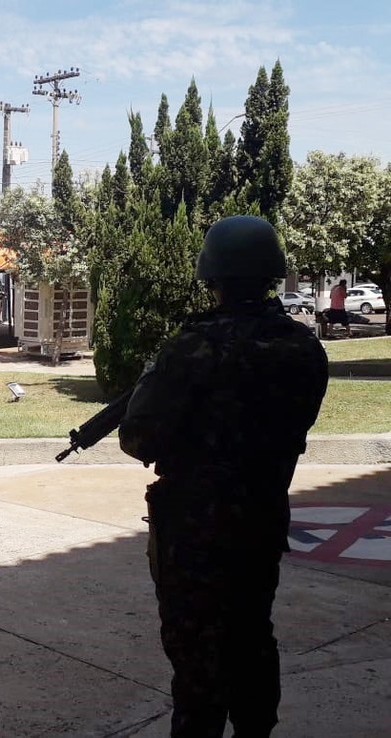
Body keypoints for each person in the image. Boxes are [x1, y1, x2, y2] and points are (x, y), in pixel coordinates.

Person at [118, 216, 329, 738]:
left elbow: (138, 439)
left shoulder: (192, 348)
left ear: (210, 275)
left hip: (195, 531)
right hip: (261, 519)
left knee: (196, 654)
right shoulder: (302, 348)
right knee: (253, 634)